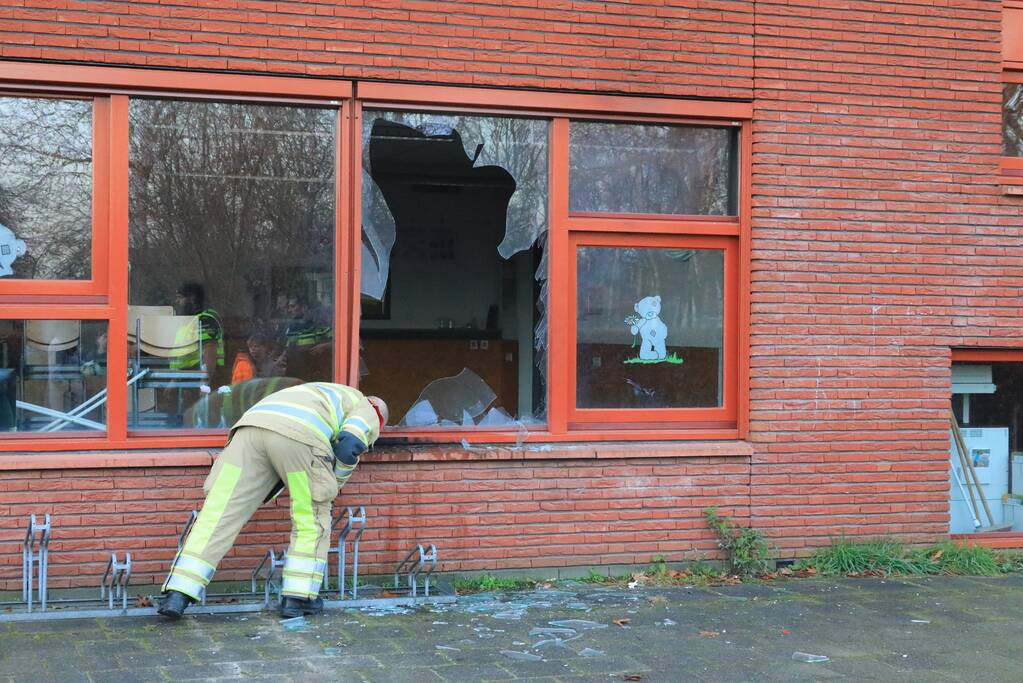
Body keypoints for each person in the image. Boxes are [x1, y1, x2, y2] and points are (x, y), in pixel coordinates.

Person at [157, 382, 389, 620]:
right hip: (298, 437)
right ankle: (298, 599)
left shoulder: (319, 392)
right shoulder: (368, 405)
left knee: (217, 514)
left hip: (249, 432)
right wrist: (331, 484)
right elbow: (350, 444)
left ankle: (178, 593)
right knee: (311, 516)